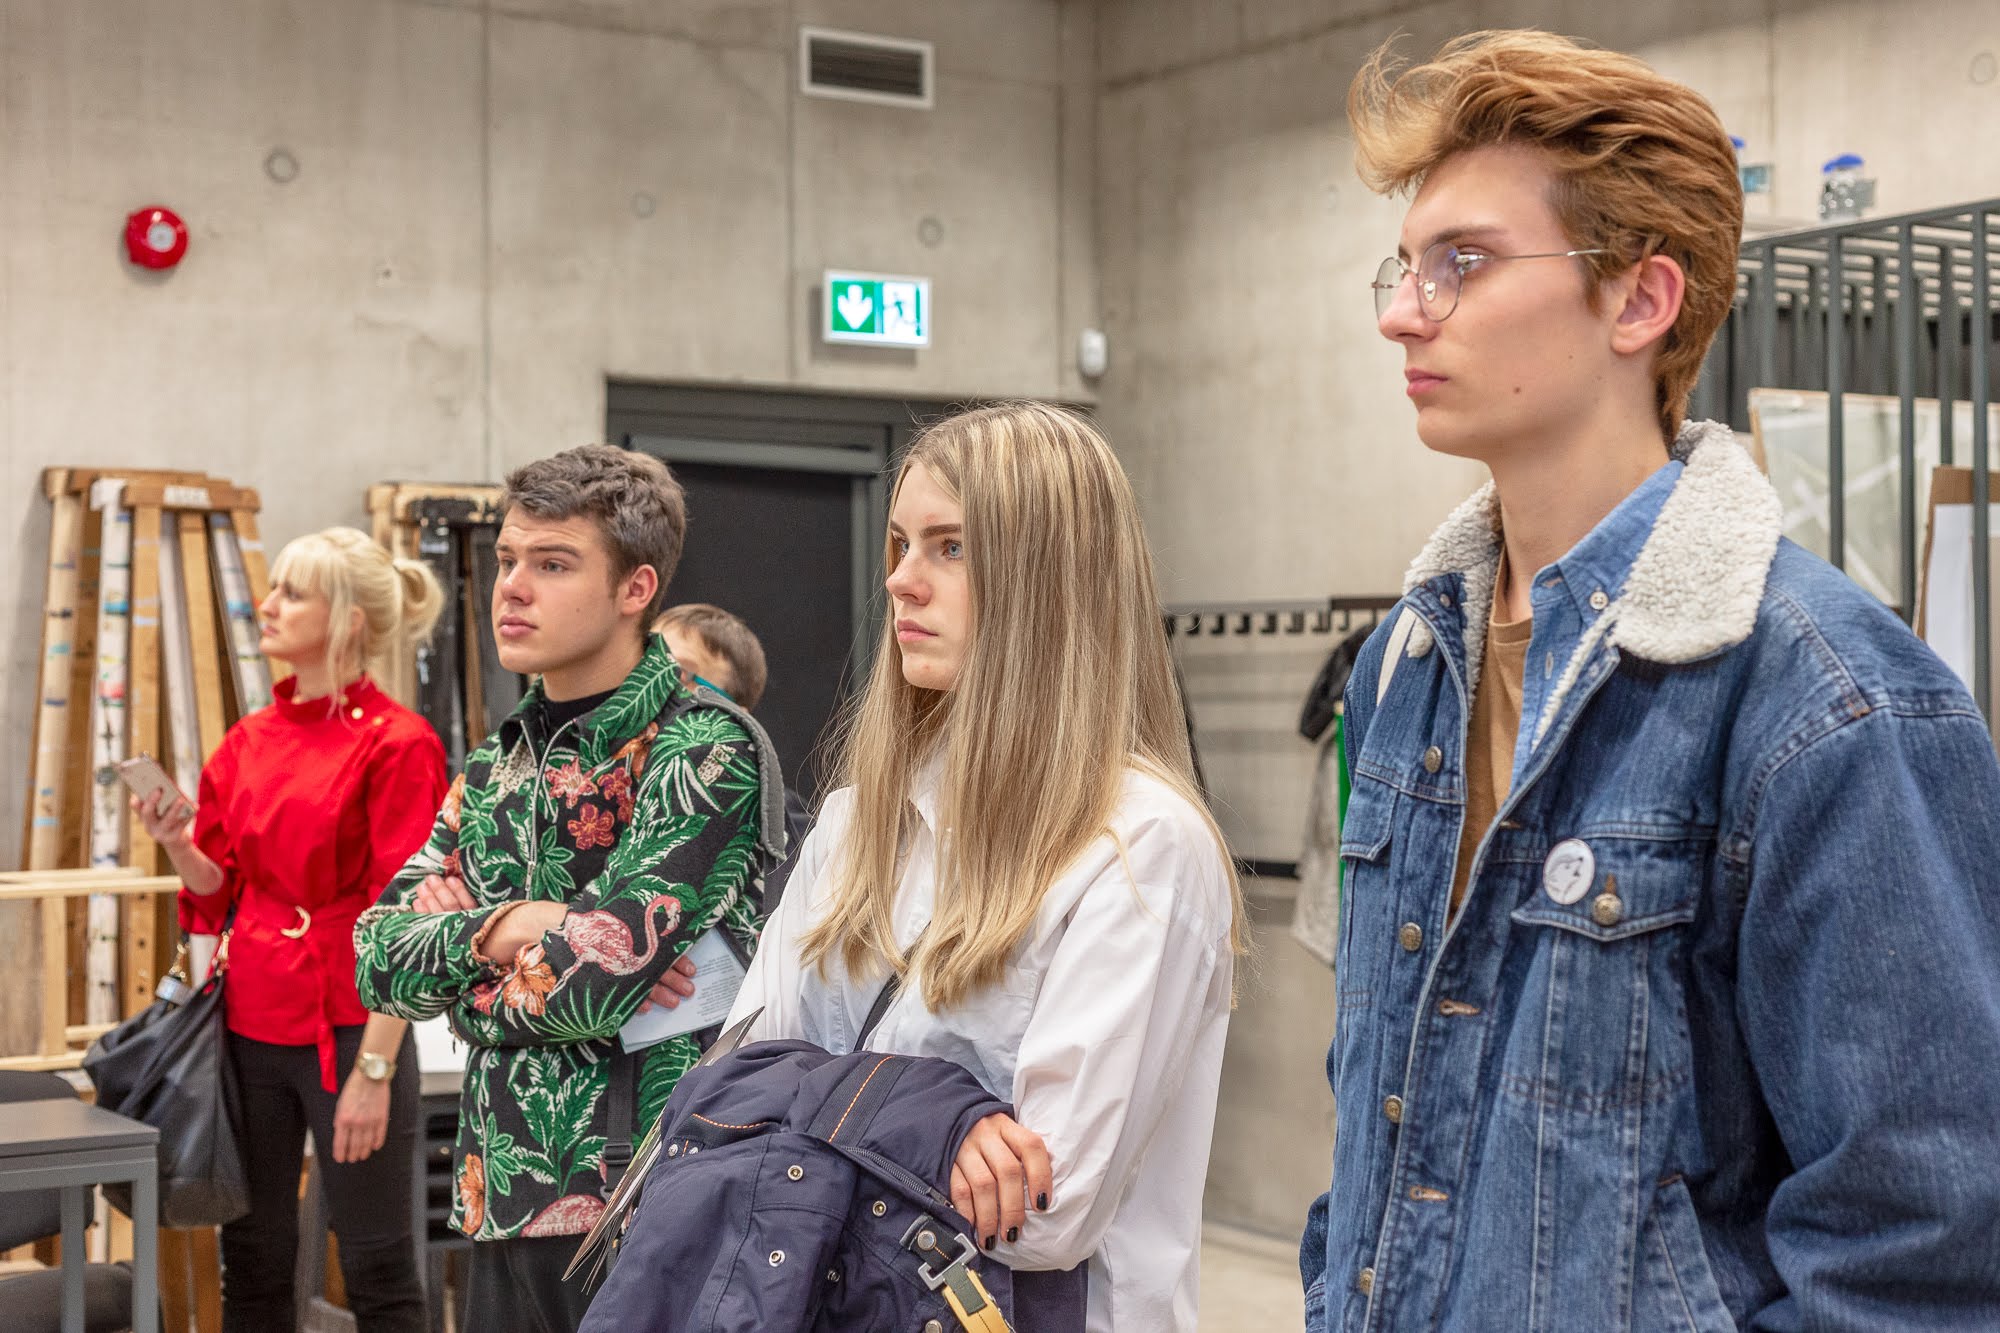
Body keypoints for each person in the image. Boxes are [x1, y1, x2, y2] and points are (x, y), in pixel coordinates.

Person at [1300, 29, 2000, 1331]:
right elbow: (1380, 1132)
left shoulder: (1829, 701)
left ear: (1638, 301)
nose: (1402, 311)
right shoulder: (1409, 665)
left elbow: (1923, 1248)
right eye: (1404, 267)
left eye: (1463, 263)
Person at [728, 401, 1243, 1333]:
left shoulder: (1140, 846)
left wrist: (834, 1110)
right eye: (901, 544)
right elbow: (735, 1090)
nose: (900, 580)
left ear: (1048, 581)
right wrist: (935, 1117)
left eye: (951, 547)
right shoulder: (855, 823)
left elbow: (1043, 1214)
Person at [353, 445, 786, 1333]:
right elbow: (375, 960)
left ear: (636, 588)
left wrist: (466, 971)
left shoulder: (704, 748)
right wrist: (519, 925)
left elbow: (592, 984)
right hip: (499, 1190)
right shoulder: (495, 763)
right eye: (508, 559)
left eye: (553, 564)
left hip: (644, 1200)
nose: (512, 588)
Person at [134, 526, 445, 1332]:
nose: (266, 605)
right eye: (274, 588)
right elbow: (222, 889)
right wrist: (177, 842)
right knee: (254, 1260)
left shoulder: (399, 744)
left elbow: (409, 919)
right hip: (248, 1023)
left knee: (377, 1265)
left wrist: (375, 1067)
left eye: (293, 593)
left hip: (353, 1028)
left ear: (348, 620)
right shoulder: (249, 740)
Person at [654, 601, 813, 913]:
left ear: (737, 717)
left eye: (677, 672)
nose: (650, 684)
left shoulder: (789, 834)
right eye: (644, 664)